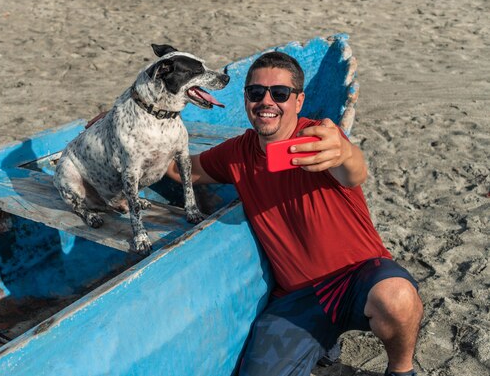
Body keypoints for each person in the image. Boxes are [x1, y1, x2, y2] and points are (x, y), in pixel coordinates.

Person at [163, 51, 424, 376]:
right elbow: (182, 169)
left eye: (280, 93)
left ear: (298, 101)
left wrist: (344, 152)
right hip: (298, 296)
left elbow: (354, 171)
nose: (266, 101)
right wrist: (130, 130)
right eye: (256, 93)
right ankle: (323, 352)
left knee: (398, 299)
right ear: (246, 99)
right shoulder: (237, 153)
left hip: (357, 274)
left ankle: (401, 371)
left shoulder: (317, 138)